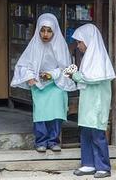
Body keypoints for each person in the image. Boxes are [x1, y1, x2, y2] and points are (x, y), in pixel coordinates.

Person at [11, 13, 76, 152]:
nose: (45, 34)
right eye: (43, 30)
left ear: (54, 31)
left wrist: (51, 75)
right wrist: (30, 76)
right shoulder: (34, 45)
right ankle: (41, 141)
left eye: (49, 30)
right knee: (41, 113)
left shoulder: (61, 45)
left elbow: (66, 68)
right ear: (38, 30)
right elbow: (24, 65)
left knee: (56, 112)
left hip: (57, 84)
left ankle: (53, 141)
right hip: (39, 84)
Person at [69, 24, 115, 178]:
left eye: (80, 42)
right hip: (88, 103)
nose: (78, 45)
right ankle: (88, 164)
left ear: (88, 40)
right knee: (85, 133)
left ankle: (103, 166)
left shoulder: (98, 57)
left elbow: (94, 78)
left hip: (97, 104)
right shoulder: (88, 57)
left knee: (97, 134)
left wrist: (76, 76)